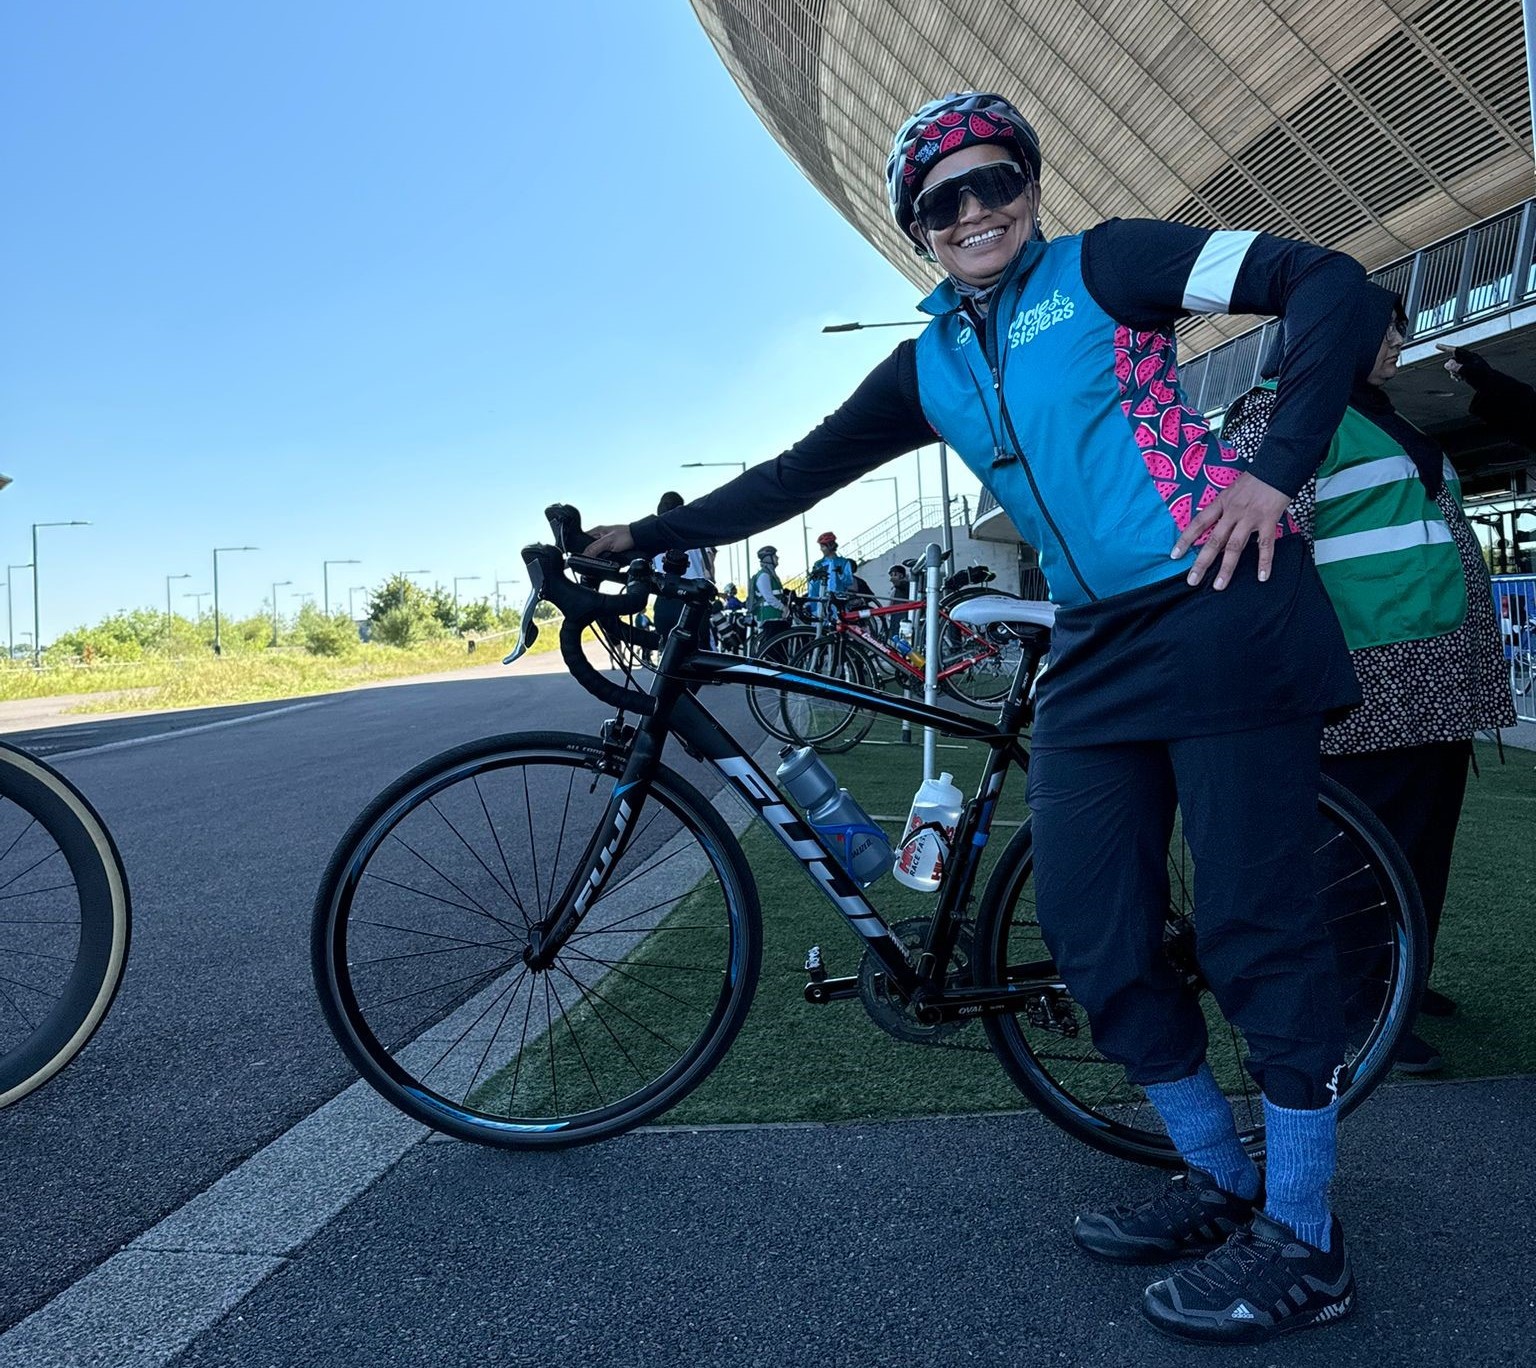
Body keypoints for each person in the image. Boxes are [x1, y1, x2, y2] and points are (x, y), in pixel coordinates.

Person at [587, 90, 1370, 1342]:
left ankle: (1309, 1236)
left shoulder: (1110, 265)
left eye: (994, 183)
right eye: (943, 200)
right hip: (1097, 645)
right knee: (1090, 926)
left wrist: (1273, 473)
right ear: (917, 227)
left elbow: (1333, 283)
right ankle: (1226, 1182)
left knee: (1251, 926)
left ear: (1029, 188)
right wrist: (655, 530)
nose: (975, 210)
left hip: (1222, 607)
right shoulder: (930, 365)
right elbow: (796, 473)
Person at [1225, 290, 1518, 1074]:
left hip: (1435, 675)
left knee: (1421, 844)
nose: (1397, 341)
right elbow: (1268, 553)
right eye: (1387, 327)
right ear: (1339, 332)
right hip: (1362, 677)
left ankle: (1400, 979)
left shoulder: (1380, 414)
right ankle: (1356, 1008)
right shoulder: (1282, 416)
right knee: (1358, 853)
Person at [807, 532, 857, 617]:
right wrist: (810, 601)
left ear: (830, 546)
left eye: (822, 546)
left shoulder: (844, 562)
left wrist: (841, 574)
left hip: (838, 600)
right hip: (821, 601)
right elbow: (812, 586)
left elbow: (849, 582)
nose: (821, 549)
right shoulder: (818, 564)